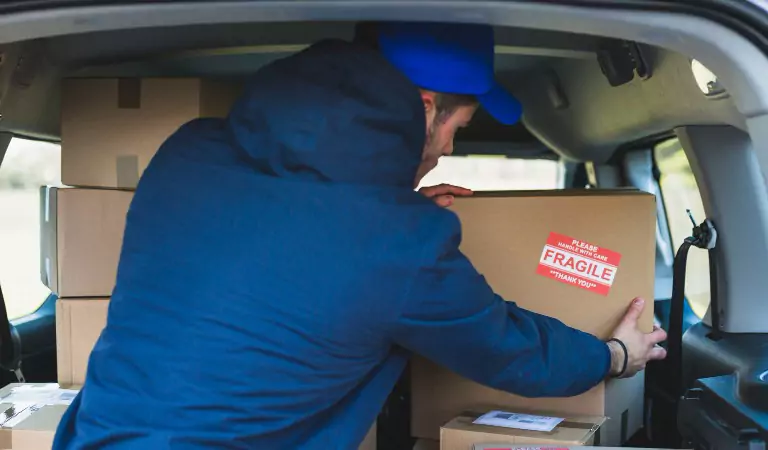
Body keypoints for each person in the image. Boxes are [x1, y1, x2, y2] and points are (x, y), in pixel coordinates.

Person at [53, 22, 666, 449]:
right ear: (425, 107)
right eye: (459, 125)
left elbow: (283, 240)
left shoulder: (188, 151)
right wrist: (614, 355)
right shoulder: (399, 245)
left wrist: (394, 215)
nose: (451, 148)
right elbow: (507, 347)